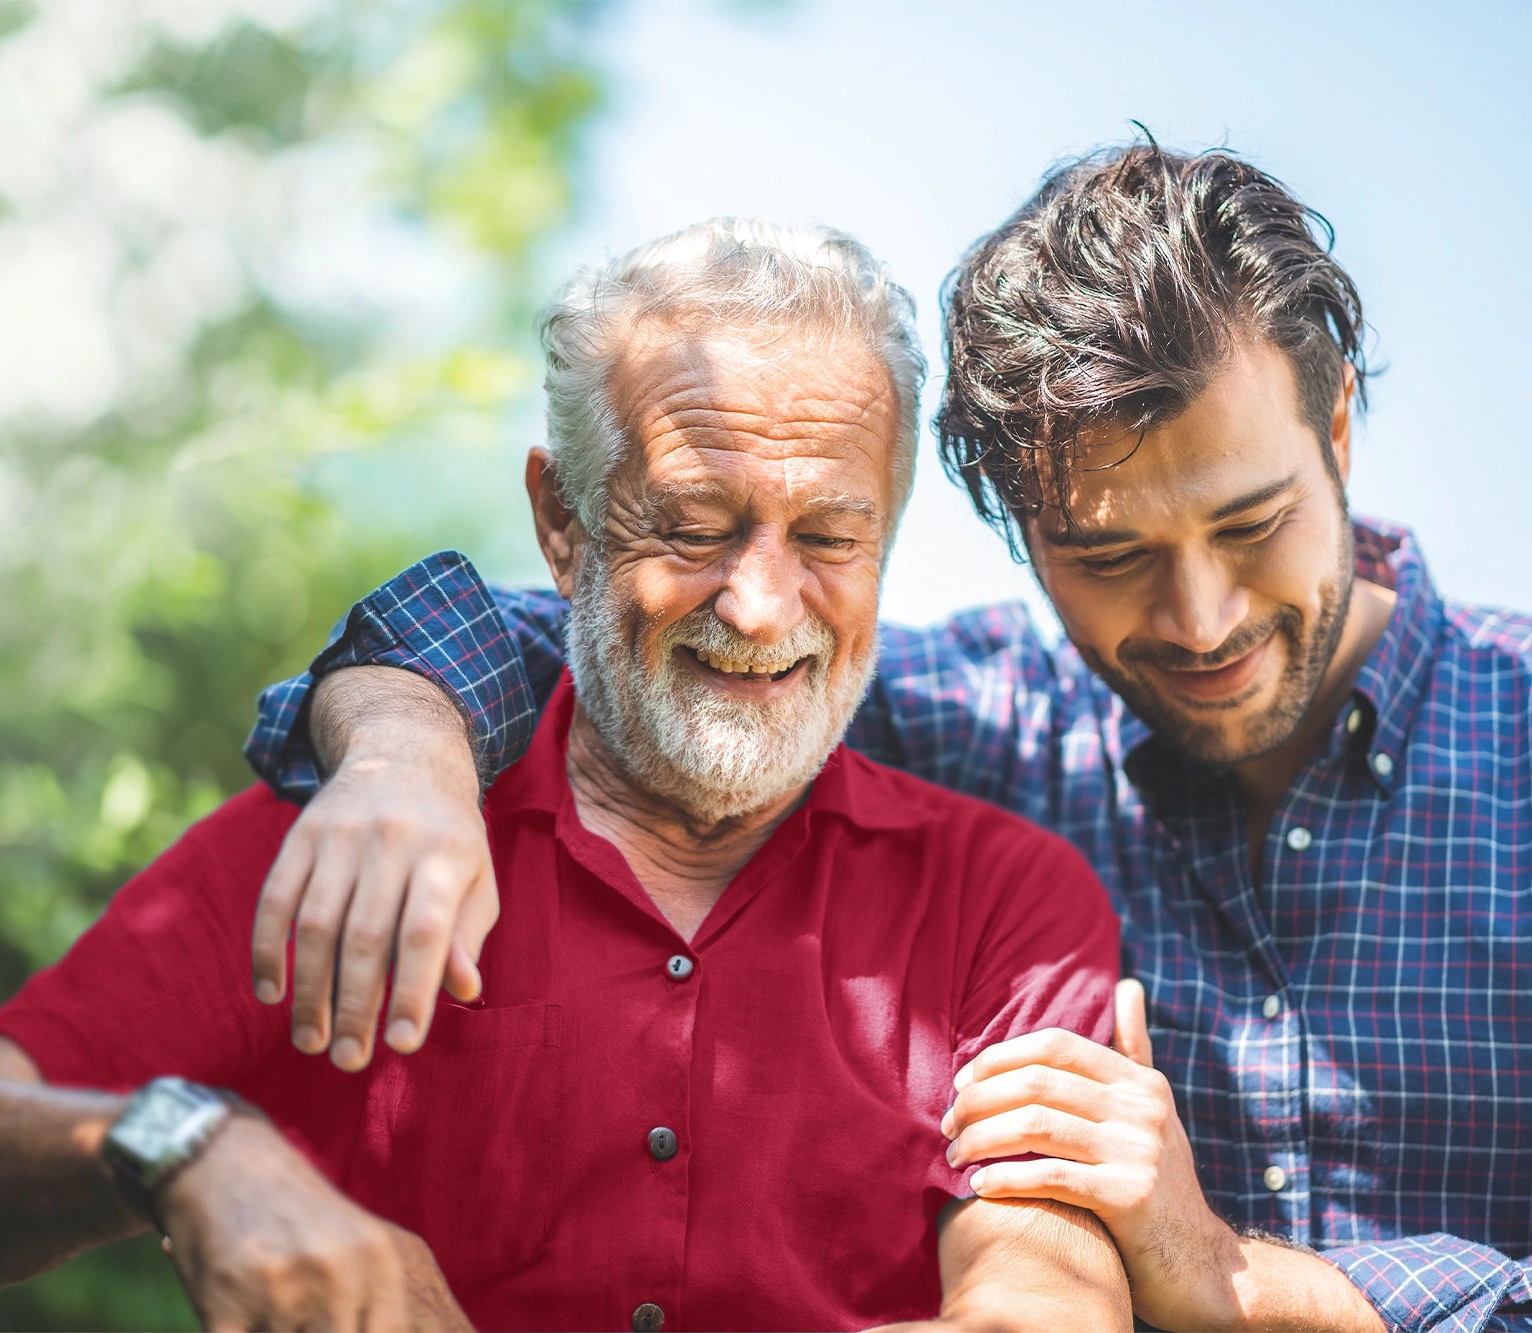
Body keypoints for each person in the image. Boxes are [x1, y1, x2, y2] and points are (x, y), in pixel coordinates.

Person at [245, 142, 1532, 1333]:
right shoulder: (981, 723)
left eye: (1251, 524)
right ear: (1018, 530)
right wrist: (405, 751)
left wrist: (1239, 1279)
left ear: (1339, 431)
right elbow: (600, 633)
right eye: (1106, 554)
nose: (1198, 619)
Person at [0, 219, 1135, 1331]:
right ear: (562, 520)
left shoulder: (1001, 897)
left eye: (832, 535)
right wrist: (186, 1144)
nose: (759, 603)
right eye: (692, 525)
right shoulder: (352, 845)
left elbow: (1048, 1305)